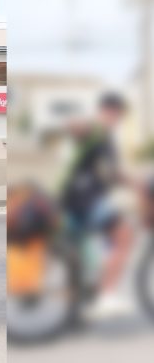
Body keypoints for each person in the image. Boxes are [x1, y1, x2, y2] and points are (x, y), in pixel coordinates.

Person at [60, 92, 134, 316]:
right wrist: (136, 185)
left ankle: (80, 304)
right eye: (117, 115)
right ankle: (106, 296)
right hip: (84, 199)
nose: (117, 120)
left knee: (82, 254)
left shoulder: (97, 131)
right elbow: (111, 171)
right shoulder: (99, 131)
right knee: (124, 236)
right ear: (112, 111)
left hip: (73, 198)